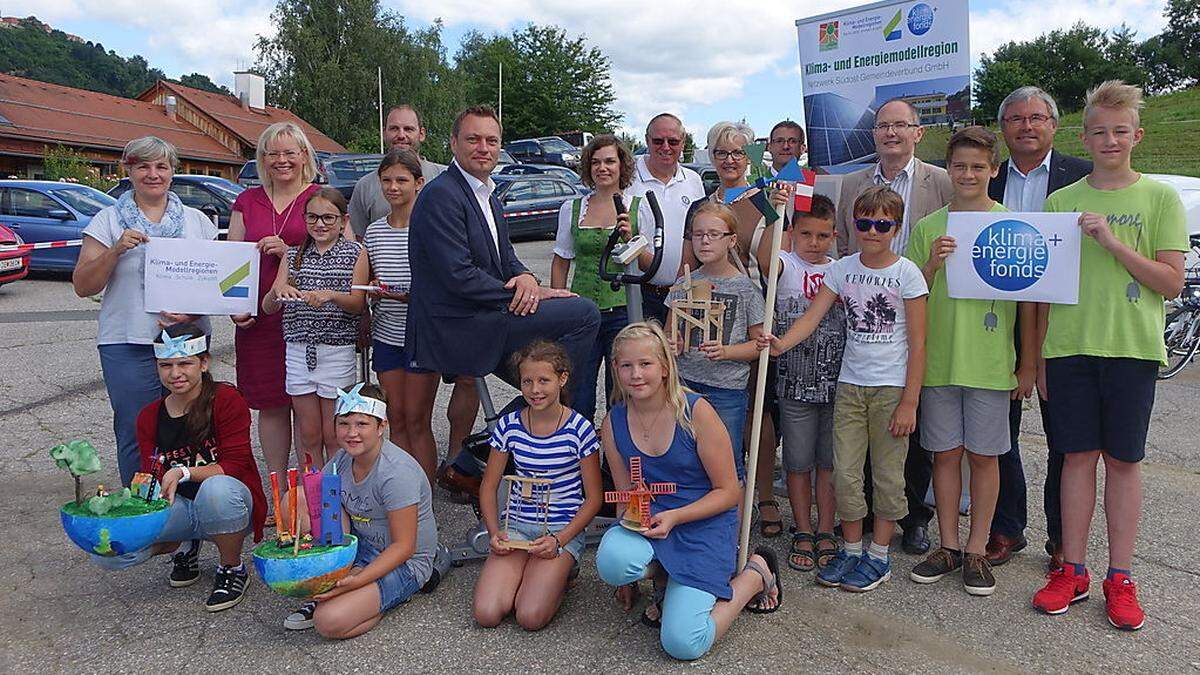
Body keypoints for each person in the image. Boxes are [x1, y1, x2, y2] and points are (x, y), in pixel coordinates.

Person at [1031, 81, 1186, 631]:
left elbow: (1170, 283)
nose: (1110, 139)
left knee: (1123, 462)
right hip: (1069, 350)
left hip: (1131, 350)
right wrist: (1039, 358)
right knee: (1075, 460)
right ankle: (1072, 569)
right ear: (1085, 136)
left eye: (1120, 131)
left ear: (1136, 136)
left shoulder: (1159, 198)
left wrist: (1114, 244)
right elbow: (1044, 291)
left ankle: (1120, 576)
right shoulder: (1061, 201)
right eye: (1099, 131)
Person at [769, 186, 927, 592]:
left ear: (895, 226)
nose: (872, 231)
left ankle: (879, 555)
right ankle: (852, 549)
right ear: (853, 225)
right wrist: (782, 343)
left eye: (882, 224)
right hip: (850, 385)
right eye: (864, 223)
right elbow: (812, 316)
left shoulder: (907, 273)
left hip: (890, 387)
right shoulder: (842, 270)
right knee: (846, 472)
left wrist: (910, 400)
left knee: (889, 475)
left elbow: (919, 342)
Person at [406, 105, 600, 432]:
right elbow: (458, 276)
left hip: (482, 315)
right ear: (453, 143)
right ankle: (505, 431)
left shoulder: (488, 196)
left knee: (556, 370)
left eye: (491, 141)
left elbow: (506, 258)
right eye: (473, 139)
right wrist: (531, 293)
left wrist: (526, 277)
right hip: (460, 325)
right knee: (584, 314)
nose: (484, 148)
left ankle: (520, 426)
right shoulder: (441, 195)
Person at [595, 322, 782, 661]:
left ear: (665, 367)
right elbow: (626, 497)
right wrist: (626, 575)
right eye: (626, 366)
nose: (636, 374)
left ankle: (756, 574)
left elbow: (729, 492)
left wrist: (677, 516)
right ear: (616, 370)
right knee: (611, 560)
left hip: (702, 521)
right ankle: (666, 580)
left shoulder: (696, 412)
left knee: (683, 644)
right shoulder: (613, 422)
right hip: (654, 521)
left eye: (646, 364)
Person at [904, 127, 1036, 597]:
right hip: (939, 361)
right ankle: (948, 545)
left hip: (988, 364)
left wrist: (1027, 366)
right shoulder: (928, 227)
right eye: (959, 165)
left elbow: (1029, 304)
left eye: (978, 166)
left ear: (994, 170)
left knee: (985, 456)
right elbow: (910, 294)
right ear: (949, 169)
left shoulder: (1012, 225)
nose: (967, 174)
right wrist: (933, 265)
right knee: (945, 455)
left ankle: (978, 548)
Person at [834, 99, 951, 555]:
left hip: (920, 308)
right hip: (868, 323)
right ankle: (861, 521)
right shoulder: (853, 183)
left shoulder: (938, 181)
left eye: (901, 125)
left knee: (908, 434)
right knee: (865, 446)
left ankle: (914, 518)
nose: (891, 133)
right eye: (883, 126)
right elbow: (845, 244)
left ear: (917, 132)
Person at [986, 86, 1093, 568]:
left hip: (1060, 321)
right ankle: (1007, 528)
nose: (1026, 126)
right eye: (1015, 119)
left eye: (1036, 118)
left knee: (1062, 436)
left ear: (1054, 125)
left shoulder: (1084, 177)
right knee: (998, 433)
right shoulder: (983, 180)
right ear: (1003, 128)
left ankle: (1061, 537)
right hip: (997, 320)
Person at [90, 323, 266, 613]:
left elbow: (236, 465)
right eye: (166, 365)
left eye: (185, 363)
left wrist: (184, 472)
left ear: (204, 363)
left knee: (215, 490)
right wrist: (122, 501)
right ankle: (183, 545)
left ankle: (232, 567)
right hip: (183, 506)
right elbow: (153, 474)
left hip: (231, 506)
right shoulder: (149, 416)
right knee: (109, 552)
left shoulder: (226, 399)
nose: (175, 373)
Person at [72, 136, 218, 486]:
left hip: (186, 341)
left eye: (161, 166)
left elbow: (216, 284)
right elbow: (83, 285)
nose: (153, 174)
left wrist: (191, 312)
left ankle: (184, 515)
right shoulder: (108, 220)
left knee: (191, 426)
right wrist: (115, 250)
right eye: (143, 166)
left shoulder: (196, 221)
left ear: (172, 172)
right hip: (127, 340)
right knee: (136, 429)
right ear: (129, 171)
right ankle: (141, 512)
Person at [282, 383, 439, 638]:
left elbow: (404, 547)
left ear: (381, 427)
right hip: (360, 545)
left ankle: (382, 598)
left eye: (362, 424)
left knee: (328, 622)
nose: (351, 433)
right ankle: (341, 585)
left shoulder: (396, 473)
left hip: (403, 561)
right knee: (296, 498)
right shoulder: (344, 459)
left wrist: (359, 579)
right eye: (343, 423)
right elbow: (315, 501)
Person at [473, 341, 603, 630]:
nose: (535, 390)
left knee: (530, 617)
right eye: (527, 381)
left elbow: (593, 498)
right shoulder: (509, 426)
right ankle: (529, 573)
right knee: (487, 613)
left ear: (562, 378)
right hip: (517, 527)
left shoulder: (579, 429)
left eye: (544, 380)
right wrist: (495, 532)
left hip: (559, 531)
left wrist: (561, 539)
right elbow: (489, 485)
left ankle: (563, 573)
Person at [228, 122, 322, 490]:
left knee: (307, 407)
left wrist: (291, 251)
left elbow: (345, 253)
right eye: (273, 153)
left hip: (307, 317)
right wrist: (234, 308)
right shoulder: (246, 201)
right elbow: (230, 263)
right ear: (262, 159)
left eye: (289, 153)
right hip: (257, 320)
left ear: (304, 156)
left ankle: (307, 491)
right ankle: (280, 488)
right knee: (270, 406)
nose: (282, 160)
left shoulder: (319, 197)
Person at [755, 194, 843, 572]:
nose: (814, 242)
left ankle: (826, 527)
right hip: (794, 383)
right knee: (797, 461)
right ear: (793, 234)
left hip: (837, 384)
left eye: (822, 235)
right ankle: (802, 528)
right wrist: (774, 213)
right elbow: (763, 257)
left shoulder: (842, 269)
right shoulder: (784, 262)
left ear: (834, 236)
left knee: (829, 462)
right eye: (805, 234)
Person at [262, 187, 368, 467]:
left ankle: (336, 494)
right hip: (298, 350)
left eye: (328, 218)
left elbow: (358, 304)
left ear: (343, 221)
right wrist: (278, 291)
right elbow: (268, 306)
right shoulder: (293, 254)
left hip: (336, 349)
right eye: (313, 217)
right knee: (309, 433)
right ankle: (313, 494)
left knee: (334, 433)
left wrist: (330, 295)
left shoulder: (356, 252)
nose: (320, 224)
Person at [550, 134, 651, 421]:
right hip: (582, 313)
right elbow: (561, 261)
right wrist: (559, 305)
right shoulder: (572, 208)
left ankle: (615, 461)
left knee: (620, 392)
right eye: (595, 162)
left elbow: (648, 264)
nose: (602, 168)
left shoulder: (638, 207)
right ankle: (582, 460)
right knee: (577, 390)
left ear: (622, 166)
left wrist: (632, 239)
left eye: (609, 161)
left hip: (622, 310)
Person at [667, 202, 765, 481]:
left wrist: (728, 351)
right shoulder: (683, 283)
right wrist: (673, 343)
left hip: (727, 389)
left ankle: (733, 523)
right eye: (698, 235)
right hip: (684, 386)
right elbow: (667, 333)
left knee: (729, 460)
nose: (705, 241)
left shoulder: (745, 288)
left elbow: (759, 345)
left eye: (713, 234)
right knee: (687, 458)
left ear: (731, 240)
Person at [628, 113, 707, 323]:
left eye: (673, 141)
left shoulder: (693, 180)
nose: (665, 147)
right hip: (642, 292)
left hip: (686, 292)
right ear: (646, 140)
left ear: (683, 143)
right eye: (657, 141)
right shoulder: (627, 178)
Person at [349, 104, 447, 238]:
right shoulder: (365, 186)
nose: (401, 135)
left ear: (421, 134)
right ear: (384, 133)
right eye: (394, 129)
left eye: (408, 129)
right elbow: (359, 241)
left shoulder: (445, 177)